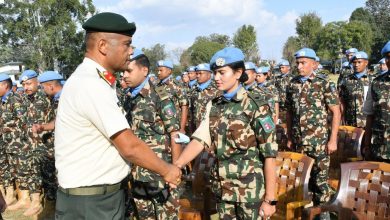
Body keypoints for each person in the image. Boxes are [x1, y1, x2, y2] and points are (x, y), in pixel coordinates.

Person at [54, 12, 181, 220]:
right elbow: (129, 146)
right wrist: (167, 169)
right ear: (103, 46)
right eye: (126, 44)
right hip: (92, 204)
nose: (130, 51)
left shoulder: (95, 81)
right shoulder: (91, 84)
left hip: (97, 199)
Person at [175, 47, 278, 220]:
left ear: (238, 73)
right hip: (223, 191)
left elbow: (270, 155)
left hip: (250, 194)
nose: (216, 78)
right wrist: (177, 165)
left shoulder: (255, 106)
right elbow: (200, 139)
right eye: (215, 72)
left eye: (222, 72)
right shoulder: (214, 105)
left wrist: (270, 199)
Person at [122, 48, 181, 219]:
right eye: (123, 71)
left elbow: (174, 133)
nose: (124, 75)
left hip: (160, 174)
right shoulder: (128, 97)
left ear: (144, 70)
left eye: (129, 70)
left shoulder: (160, 95)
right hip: (137, 172)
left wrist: (175, 168)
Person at [286, 48, 340, 219]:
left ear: (314, 64)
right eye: (298, 63)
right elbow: (289, 112)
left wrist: (332, 140)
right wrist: (289, 136)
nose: (299, 67)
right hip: (298, 143)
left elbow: (336, 112)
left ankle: (324, 216)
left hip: (319, 143)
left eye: (303, 63)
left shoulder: (323, 83)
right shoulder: (292, 84)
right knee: (301, 183)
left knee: (320, 183)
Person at [0, 73, 26, 208]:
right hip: (6, 142)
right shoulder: (3, 100)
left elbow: (22, 121)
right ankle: (10, 194)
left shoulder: (14, 99)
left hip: (16, 142)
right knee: (8, 169)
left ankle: (24, 199)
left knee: (20, 169)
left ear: (5, 85)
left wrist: (3, 126)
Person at [363, 41, 390, 163]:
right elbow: (370, 115)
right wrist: (367, 145)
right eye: (387, 57)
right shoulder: (376, 83)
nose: (389, 61)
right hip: (380, 149)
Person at [339, 51, 373, 127]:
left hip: (368, 123)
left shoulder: (373, 80)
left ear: (366, 63)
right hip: (350, 122)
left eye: (359, 62)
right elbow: (342, 101)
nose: (356, 65)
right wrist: (342, 118)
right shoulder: (346, 80)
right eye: (354, 62)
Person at [156, 60, 189, 134]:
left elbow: (184, 106)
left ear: (169, 71)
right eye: (158, 70)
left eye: (161, 70)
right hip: (162, 125)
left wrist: (182, 128)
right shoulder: (159, 85)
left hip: (175, 125)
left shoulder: (176, 85)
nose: (158, 73)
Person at [274, 59, 292, 124]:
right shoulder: (277, 79)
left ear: (288, 68)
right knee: (281, 125)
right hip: (280, 106)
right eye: (280, 68)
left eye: (283, 67)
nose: (281, 69)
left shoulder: (292, 78)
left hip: (289, 106)